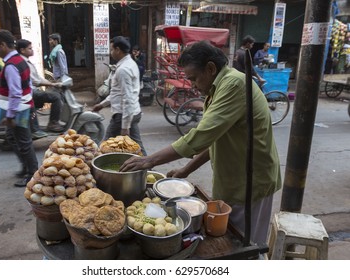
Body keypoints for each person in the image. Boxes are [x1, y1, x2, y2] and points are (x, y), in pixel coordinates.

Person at [120, 41, 281, 244]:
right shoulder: (217, 89)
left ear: (211, 68)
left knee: (245, 244)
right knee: (230, 237)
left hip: (251, 180)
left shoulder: (234, 84)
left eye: (194, 79)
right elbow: (215, 139)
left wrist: (148, 161)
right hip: (232, 179)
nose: (193, 86)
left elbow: (199, 137)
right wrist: (186, 170)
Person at [0, 29, 38, 187]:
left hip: (19, 109)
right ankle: (26, 167)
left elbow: (16, 93)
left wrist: (10, 116)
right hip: (22, 106)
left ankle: (32, 174)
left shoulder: (11, 65)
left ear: (3, 45)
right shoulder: (19, 60)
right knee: (12, 137)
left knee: (24, 142)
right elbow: (28, 86)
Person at [92, 36, 147, 155]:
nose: (110, 53)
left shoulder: (124, 69)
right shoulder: (129, 64)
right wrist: (102, 105)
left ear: (118, 50)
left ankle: (99, 170)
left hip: (123, 115)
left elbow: (127, 98)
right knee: (137, 148)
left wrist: (125, 126)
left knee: (105, 147)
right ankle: (148, 169)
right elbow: (117, 93)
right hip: (132, 112)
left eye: (111, 50)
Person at [17, 39, 64, 135]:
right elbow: (35, 81)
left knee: (57, 93)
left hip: (31, 90)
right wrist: (51, 84)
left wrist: (52, 83)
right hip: (29, 92)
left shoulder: (27, 61)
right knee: (56, 97)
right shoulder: (23, 62)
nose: (32, 50)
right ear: (22, 50)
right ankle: (53, 123)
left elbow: (38, 78)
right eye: (29, 48)